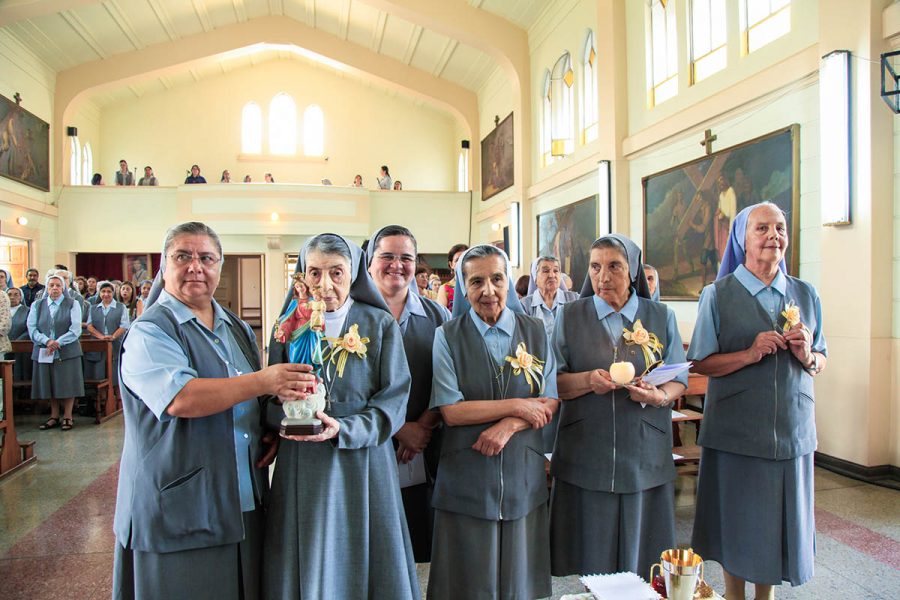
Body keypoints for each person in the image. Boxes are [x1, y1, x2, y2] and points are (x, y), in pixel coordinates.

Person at [112, 221, 315, 600]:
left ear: (219, 265)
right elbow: (182, 398)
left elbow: (244, 399)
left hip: (240, 501)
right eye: (183, 256)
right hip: (181, 504)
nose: (195, 266)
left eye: (206, 258)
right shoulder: (151, 331)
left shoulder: (235, 327)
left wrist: (264, 429)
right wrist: (265, 381)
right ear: (163, 264)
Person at [263, 233, 420, 599]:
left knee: (365, 552)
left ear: (354, 274)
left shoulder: (379, 325)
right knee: (310, 547)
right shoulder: (287, 325)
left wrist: (345, 428)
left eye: (337, 272)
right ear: (302, 276)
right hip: (304, 457)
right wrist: (279, 417)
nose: (325, 285)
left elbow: (394, 399)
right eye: (314, 273)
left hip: (362, 458)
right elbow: (269, 396)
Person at [689, 202, 826, 600]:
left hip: (791, 430)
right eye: (761, 228)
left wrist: (806, 356)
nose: (773, 236)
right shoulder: (718, 295)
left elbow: (821, 358)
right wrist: (749, 354)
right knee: (737, 523)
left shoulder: (806, 293)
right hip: (736, 431)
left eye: (780, 228)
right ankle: (733, 595)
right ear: (741, 239)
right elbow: (701, 363)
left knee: (771, 527)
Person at [550, 233, 688, 580]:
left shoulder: (659, 315)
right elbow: (551, 383)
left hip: (642, 443)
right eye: (595, 267)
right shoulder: (570, 316)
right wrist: (587, 382)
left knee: (640, 555)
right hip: (586, 445)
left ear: (633, 272)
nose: (603, 276)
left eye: (614, 266)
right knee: (589, 551)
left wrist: (661, 396)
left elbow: (678, 377)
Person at [428, 244, 559, 600]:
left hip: (522, 476)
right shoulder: (447, 336)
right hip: (466, 476)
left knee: (520, 586)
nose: (488, 291)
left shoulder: (535, 331)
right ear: (463, 286)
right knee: (468, 585)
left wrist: (509, 424)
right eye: (476, 281)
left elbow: (549, 398)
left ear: (508, 280)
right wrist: (518, 404)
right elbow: (452, 410)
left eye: (497, 278)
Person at [366, 225, 451, 563]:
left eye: (406, 258)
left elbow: (447, 378)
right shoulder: (352, 316)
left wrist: (423, 428)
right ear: (370, 262)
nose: (396, 265)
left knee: (419, 545)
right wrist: (402, 428)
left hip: (424, 445)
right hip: (372, 441)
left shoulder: (437, 316)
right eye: (387, 256)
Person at [520, 255, 579, 451]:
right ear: (534, 277)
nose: (552, 275)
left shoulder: (575, 300)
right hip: (539, 377)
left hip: (569, 373)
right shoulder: (525, 306)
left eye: (556, 270)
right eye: (545, 270)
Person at [28, 271, 84, 432]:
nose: (54, 288)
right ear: (47, 287)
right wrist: (47, 341)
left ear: (64, 287)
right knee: (51, 383)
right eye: (51, 285)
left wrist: (58, 342)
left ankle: (67, 416)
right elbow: (32, 328)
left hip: (67, 350)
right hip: (45, 349)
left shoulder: (72, 303)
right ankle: (54, 416)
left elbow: (75, 329)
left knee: (67, 383)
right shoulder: (37, 305)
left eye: (58, 285)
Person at [84, 281, 129, 390]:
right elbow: (89, 326)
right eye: (103, 291)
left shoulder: (120, 307)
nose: (106, 294)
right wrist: (101, 337)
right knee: (100, 372)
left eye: (109, 291)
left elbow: (124, 325)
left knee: (114, 374)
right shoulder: (93, 308)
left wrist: (112, 337)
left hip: (115, 344)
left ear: (113, 293)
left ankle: (115, 398)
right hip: (98, 344)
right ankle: (102, 399)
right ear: (99, 293)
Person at [272, 272, 324, 366]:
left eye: (301, 286)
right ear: (295, 288)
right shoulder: (295, 303)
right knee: (295, 356)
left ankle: (312, 373)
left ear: (306, 286)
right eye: (297, 287)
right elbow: (288, 319)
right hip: (297, 331)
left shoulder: (313, 301)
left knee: (311, 355)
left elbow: (320, 315)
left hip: (310, 330)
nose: (300, 289)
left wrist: (320, 325)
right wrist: (282, 330)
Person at [5, 287, 31, 383]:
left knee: (19, 373)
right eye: (9, 294)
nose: (12, 297)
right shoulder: (2, 311)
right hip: (3, 347)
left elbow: (29, 329)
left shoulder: (27, 310)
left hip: (21, 348)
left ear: (21, 297)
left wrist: (16, 342)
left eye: (16, 294)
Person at [436, 243, 468, 313]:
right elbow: (441, 316)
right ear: (451, 264)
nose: (461, 262)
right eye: (457, 260)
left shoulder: (476, 285)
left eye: (465, 259)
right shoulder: (445, 289)